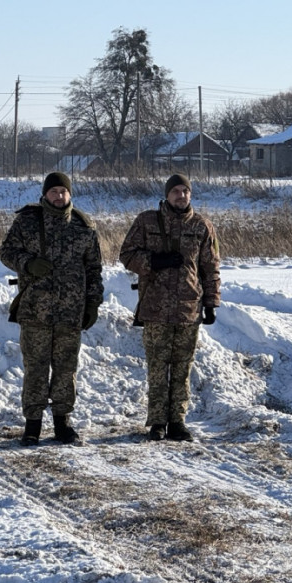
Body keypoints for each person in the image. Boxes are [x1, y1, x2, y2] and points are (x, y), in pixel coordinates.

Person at [0, 172, 103, 446]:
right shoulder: (27, 222)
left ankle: (62, 423)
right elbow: (6, 251)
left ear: (70, 195)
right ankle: (32, 425)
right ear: (45, 194)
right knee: (35, 367)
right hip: (35, 310)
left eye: (63, 192)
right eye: (54, 192)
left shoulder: (84, 226)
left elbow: (94, 268)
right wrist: (27, 262)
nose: (59, 196)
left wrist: (93, 302)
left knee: (66, 368)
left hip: (71, 312)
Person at [119, 174, 221, 442]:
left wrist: (211, 302)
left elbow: (211, 267)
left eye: (185, 191)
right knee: (157, 367)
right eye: (175, 191)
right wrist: (155, 261)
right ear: (167, 194)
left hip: (188, 310)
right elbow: (126, 255)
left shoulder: (202, 226)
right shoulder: (147, 221)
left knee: (182, 368)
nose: (181, 195)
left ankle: (177, 421)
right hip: (155, 308)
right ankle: (157, 423)